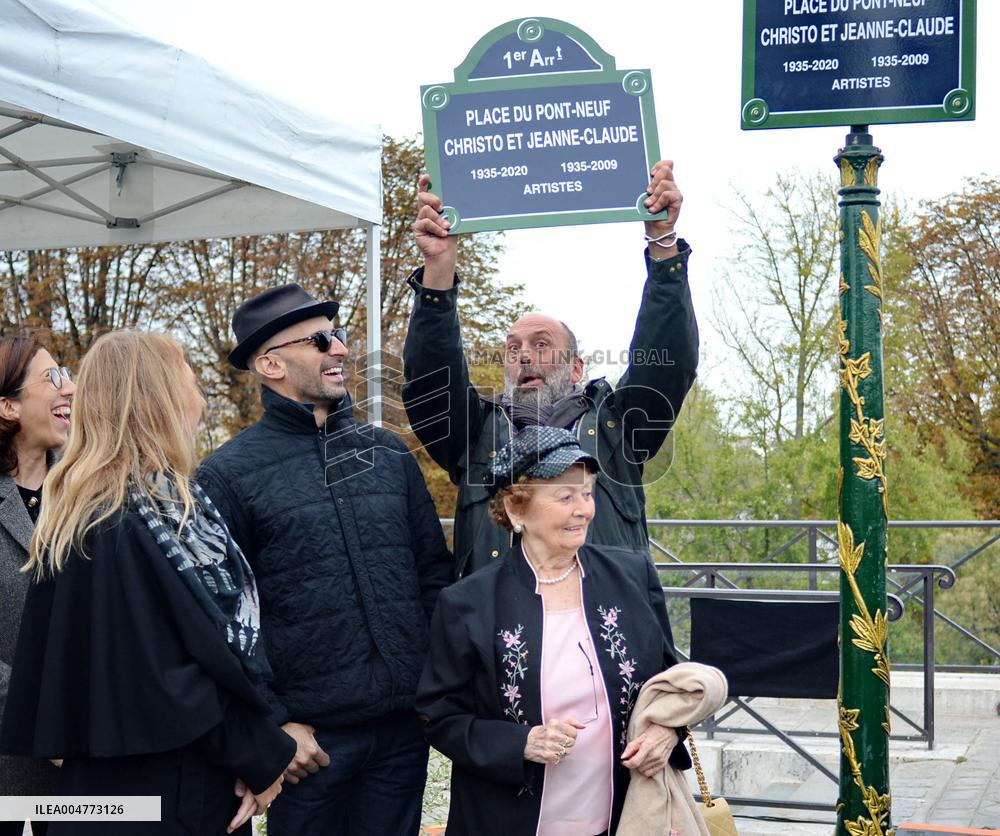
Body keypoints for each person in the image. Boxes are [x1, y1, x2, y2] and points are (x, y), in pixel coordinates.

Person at [0, 331, 295, 835]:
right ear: (160, 398)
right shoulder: (120, 519)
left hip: (142, 782)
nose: (201, 397)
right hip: (161, 792)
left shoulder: (114, 507)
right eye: (191, 378)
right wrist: (260, 754)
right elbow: (170, 672)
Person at [197, 284, 454, 836]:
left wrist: (434, 691)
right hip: (308, 746)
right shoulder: (225, 476)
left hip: (402, 735)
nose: (340, 349)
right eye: (320, 340)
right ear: (270, 363)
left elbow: (433, 578)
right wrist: (276, 724)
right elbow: (221, 622)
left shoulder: (389, 456)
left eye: (338, 336)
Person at [402, 160, 699, 577]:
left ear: (576, 368)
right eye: (512, 348)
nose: (524, 355)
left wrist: (663, 243)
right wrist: (438, 267)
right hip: (500, 632)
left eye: (541, 345)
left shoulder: (618, 425)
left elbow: (669, 356)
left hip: (602, 629)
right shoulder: (473, 431)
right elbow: (430, 376)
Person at [415, 426, 691, 836]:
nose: (583, 509)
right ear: (516, 511)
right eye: (565, 496)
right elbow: (438, 715)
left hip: (622, 816)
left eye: (587, 493)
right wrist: (521, 743)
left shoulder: (631, 576)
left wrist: (668, 731)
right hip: (506, 819)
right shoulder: (468, 602)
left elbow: (670, 680)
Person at [0, 334, 75, 836]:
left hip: (82, 768)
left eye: (65, 372)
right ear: (7, 405)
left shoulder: (86, 492)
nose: (68, 386)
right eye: (52, 377)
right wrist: (42, 718)